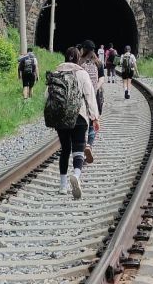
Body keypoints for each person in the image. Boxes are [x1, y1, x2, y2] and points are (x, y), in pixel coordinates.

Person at [54, 46, 99, 198]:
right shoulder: (82, 74)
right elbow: (90, 96)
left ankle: (62, 186)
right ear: (79, 58)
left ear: (65, 57)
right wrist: (94, 117)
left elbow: (48, 96)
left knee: (65, 150)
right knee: (78, 148)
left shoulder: (56, 73)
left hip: (61, 117)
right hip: (79, 116)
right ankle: (77, 175)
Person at [80, 39, 104, 163]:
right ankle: (89, 144)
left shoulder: (80, 63)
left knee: (83, 123)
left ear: (84, 49)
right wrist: (94, 89)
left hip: (82, 98)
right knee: (94, 121)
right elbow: (102, 79)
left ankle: (83, 146)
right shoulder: (98, 62)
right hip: (95, 97)